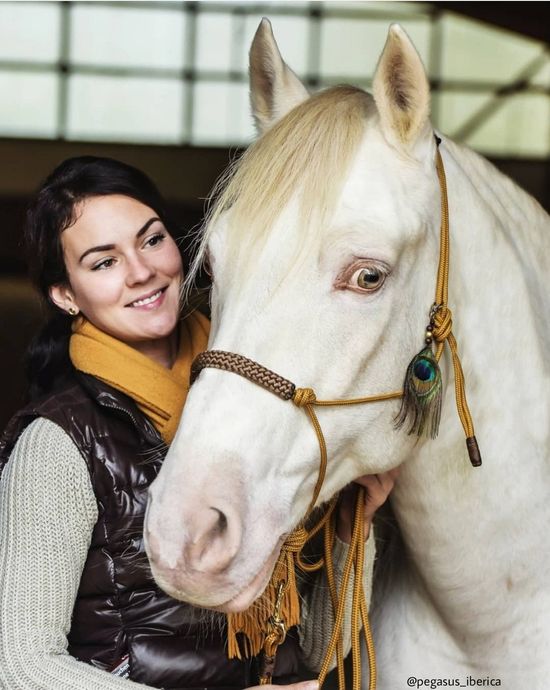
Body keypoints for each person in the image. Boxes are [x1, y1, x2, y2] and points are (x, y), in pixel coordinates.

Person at [0, 156, 397, 690]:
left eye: (151, 239)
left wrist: (353, 528)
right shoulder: (59, 442)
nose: (142, 271)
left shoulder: (264, 412)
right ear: (65, 295)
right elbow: (20, 665)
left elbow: (322, 647)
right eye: (103, 263)